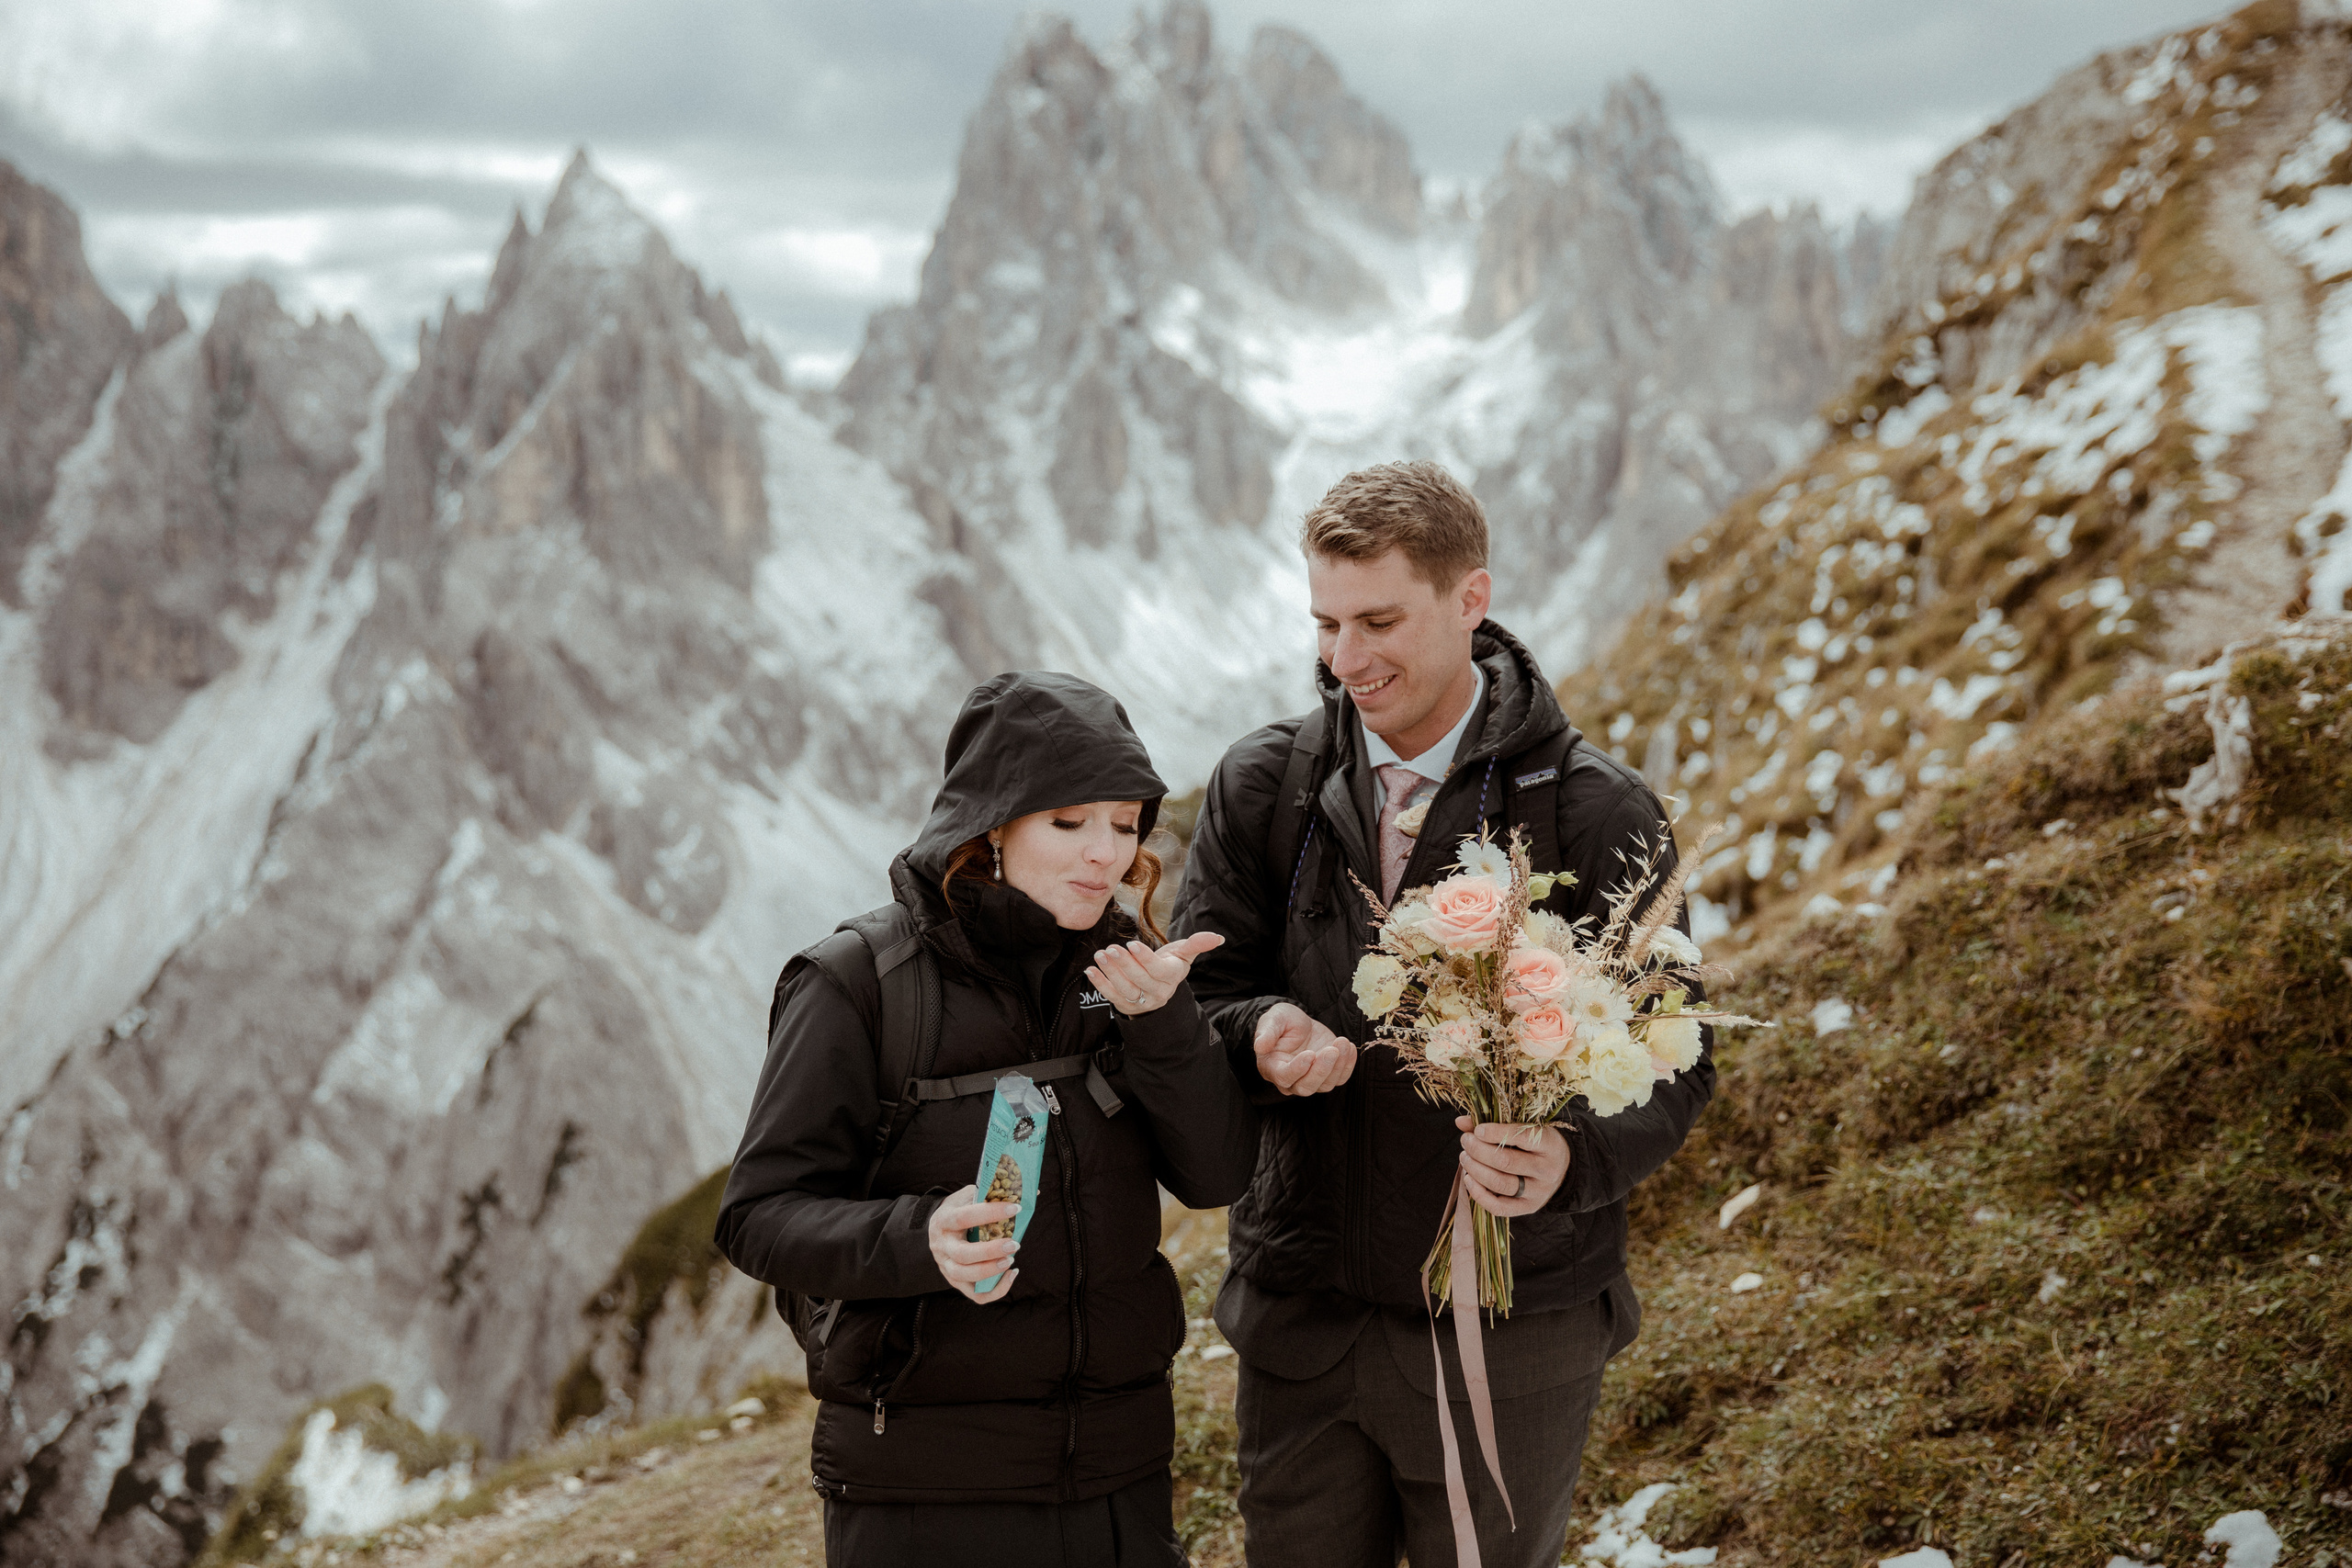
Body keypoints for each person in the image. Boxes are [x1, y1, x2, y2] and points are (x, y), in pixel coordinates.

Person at [1171, 461, 1713, 1567]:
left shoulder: (1598, 810)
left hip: (1513, 1335)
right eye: (1325, 624)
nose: (1344, 660)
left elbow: (1675, 1055)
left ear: (1471, 599)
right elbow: (1203, 997)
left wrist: (1570, 1157)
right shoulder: (1260, 785)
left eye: (1378, 622)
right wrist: (1259, 1032)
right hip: (1302, 1319)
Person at [718, 671, 1257, 1568]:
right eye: (1069, 822)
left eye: (1125, 825)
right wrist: (918, 1238)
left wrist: (1165, 1028)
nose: (1106, 854)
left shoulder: (1126, 972)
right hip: (924, 1492)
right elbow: (756, 1217)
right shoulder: (854, 982)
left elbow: (1216, 1177)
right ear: (992, 824)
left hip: (1118, 1475)